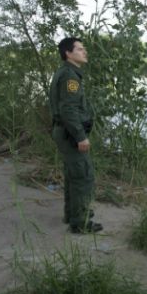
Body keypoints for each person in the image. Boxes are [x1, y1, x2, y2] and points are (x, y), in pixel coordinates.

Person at [49, 37, 103, 234]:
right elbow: (69, 110)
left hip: (64, 131)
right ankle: (80, 223)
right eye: (80, 49)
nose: (84, 52)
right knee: (83, 176)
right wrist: (80, 136)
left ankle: (72, 215)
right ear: (68, 54)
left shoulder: (67, 73)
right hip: (70, 133)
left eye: (84, 49)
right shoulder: (70, 77)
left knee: (74, 175)